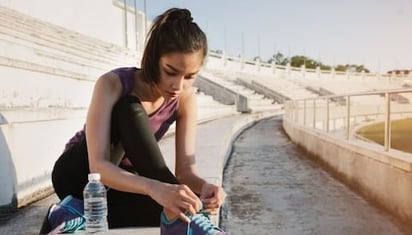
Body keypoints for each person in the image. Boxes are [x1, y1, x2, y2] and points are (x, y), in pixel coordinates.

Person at [41, 7, 227, 235]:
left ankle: (70, 215)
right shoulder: (112, 84)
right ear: (152, 58)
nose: (178, 86)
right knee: (129, 107)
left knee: (189, 200)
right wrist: (157, 188)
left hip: (122, 186)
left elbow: (185, 172)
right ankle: (73, 207)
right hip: (81, 178)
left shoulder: (185, 99)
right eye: (170, 71)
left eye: (189, 77)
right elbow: (98, 166)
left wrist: (205, 186)